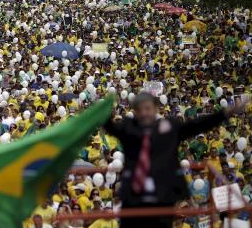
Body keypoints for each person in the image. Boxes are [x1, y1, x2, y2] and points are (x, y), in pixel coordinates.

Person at [103, 93, 249, 228]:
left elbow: (198, 125)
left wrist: (225, 113)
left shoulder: (170, 129)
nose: (144, 113)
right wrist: (102, 109)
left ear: (155, 109)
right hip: (133, 199)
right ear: (135, 111)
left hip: (163, 199)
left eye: (148, 108)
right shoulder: (128, 128)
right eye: (140, 109)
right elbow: (109, 127)